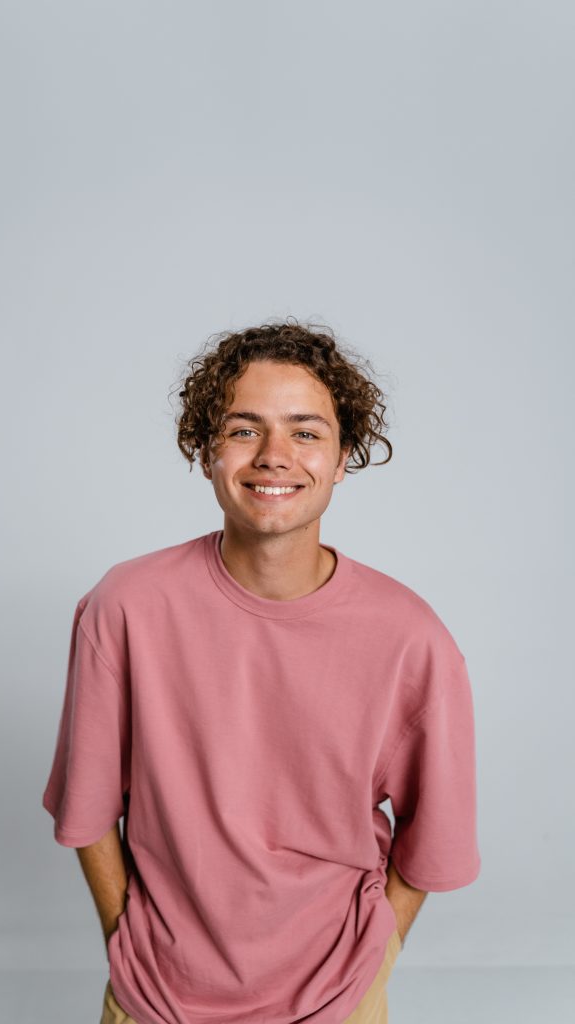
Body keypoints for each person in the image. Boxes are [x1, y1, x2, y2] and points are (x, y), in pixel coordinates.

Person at [42, 319, 481, 1024]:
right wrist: (128, 947)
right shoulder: (124, 606)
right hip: (156, 994)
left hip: (336, 995)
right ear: (205, 451)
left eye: (305, 432)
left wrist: (373, 960)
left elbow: (435, 839)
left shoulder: (410, 637)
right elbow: (87, 806)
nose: (275, 455)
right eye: (243, 429)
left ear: (342, 459)